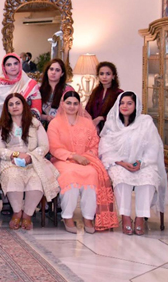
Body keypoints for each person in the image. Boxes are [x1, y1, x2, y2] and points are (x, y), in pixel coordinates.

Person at [47, 91, 119, 234]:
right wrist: (73, 157)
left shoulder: (87, 123)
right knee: (71, 177)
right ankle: (67, 217)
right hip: (63, 160)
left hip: (85, 160)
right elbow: (54, 147)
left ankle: (88, 218)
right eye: (68, 103)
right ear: (62, 104)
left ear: (79, 105)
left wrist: (85, 157)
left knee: (92, 174)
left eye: (75, 103)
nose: (72, 106)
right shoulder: (55, 123)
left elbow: (95, 144)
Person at [99, 92, 167, 236]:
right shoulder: (112, 123)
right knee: (121, 179)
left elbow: (153, 147)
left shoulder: (145, 122)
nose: (125, 106)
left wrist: (140, 163)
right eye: (122, 103)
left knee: (148, 180)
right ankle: (125, 218)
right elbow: (105, 148)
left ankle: (140, 218)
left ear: (136, 106)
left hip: (143, 163)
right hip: (118, 163)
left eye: (129, 103)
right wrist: (121, 162)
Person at [0, 93, 60, 230]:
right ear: (7, 108)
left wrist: (30, 156)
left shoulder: (35, 124)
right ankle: (17, 213)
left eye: (17, 103)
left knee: (36, 181)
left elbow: (44, 146)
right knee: (13, 178)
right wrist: (16, 154)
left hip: (33, 160)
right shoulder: (2, 125)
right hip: (10, 161)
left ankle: (28, 215)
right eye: (11, 104)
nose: (14, 107)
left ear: (24, 105)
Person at [0, 53, 42, 124]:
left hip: (26, 125)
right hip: (1, 125)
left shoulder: (30, 84)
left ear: (20, 65)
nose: (13, 67)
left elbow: (36, 111)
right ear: (4, 67)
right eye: (9, 65)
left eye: (15, 63)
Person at [86, 61, 123, 133]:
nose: (104, 77)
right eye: (101, 74)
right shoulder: (95, 92)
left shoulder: (119, 93)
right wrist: (92, 124)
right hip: (93, 129)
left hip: (111, 131)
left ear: (113, 76)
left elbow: (120, 115)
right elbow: (87, 111)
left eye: (108, 74)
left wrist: (101, 118)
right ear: (98, 76)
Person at [38, 59, 74, 127]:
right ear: (47, 71)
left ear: (62, 74)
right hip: (41, 126)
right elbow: (32, 111)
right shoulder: (38, 89)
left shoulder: (68, 89)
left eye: (57, 70)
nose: (53, 72)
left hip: (62, 126)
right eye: (51, 69)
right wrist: (46, 117)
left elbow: (73, 110)